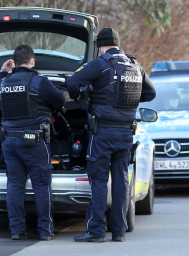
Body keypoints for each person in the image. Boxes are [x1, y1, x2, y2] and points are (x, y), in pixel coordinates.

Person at [67, 27, 156, 243]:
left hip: (103, 133)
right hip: (125, 133)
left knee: (98, 180)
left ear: (101, 46)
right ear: (117, 43)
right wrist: (129, 105)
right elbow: (151, 93)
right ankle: (119, 232)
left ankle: (96, 231)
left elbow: (72, 83)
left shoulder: (100, 64)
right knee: (121, 181)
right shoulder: (135, 65)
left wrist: (80, 97)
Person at [0, 44, 66, 241]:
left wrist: (3, 73)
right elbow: (60, 102)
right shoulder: (40, 82)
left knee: (15, 185)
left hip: (9, 141)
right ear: (32, 61)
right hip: (34, 142)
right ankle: (45, 231)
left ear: (13, 62)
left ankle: (17, 230)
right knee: (41, 185)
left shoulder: (4, 83)